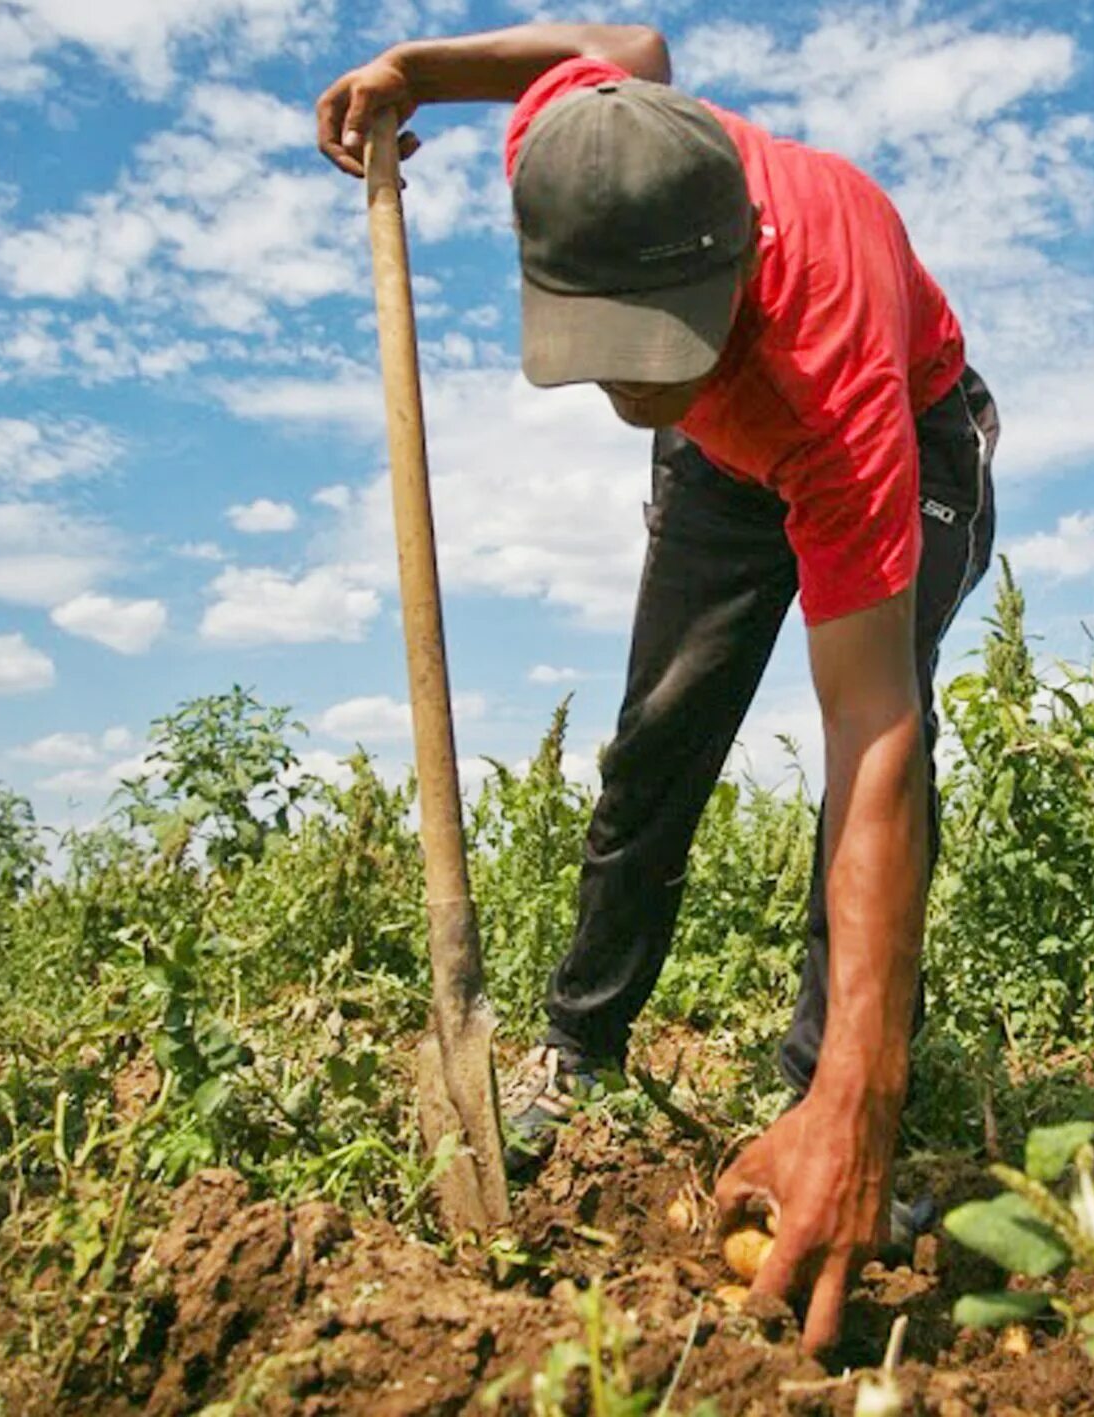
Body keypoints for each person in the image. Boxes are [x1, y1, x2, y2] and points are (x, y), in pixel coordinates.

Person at [316, 21, 997, 1354]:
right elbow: (624, 42)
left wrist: (861, 1096)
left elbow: (873, 732)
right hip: (724, 458)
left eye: (656, 343)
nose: (628, 380)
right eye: (604, 342)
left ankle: (832, 1111)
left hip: (902, 428)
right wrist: (421, 71)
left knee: (868, 776)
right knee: (656, 742)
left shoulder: (832, 354)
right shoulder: (577, 143)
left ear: (738, 255)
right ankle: (577, 1041)